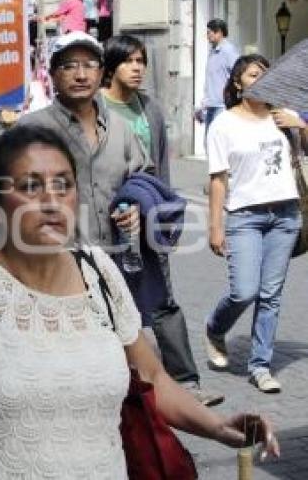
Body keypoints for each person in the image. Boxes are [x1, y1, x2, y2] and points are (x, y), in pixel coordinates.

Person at [0, 82, 281, 477]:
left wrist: (217, 426)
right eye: (30, 186)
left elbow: (152, 377)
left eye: (63, 184)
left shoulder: (99, 271)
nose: (51, 201)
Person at [98, 35, 224, 406]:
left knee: (165, 298)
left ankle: (187, 381)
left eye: (141, 61)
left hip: (149, 215)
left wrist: (166, 212)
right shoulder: (98, 108)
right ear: (111, 66)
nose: (137, 68)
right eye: (128, 61)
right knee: (114, 299)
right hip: (113, 221)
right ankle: (122, 384)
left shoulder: (149, 108)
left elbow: (162, 166)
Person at [205, 53, 301, 393]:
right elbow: (218, 179)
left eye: (266, 74)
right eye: (252, 74)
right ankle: (215, 328)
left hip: (286, 215)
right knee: (244, 290)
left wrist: (301, 126)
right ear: (237, 82)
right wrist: (215, 225)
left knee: (270, 295)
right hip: (245, 217)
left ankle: (260, 365)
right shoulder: (223, 124)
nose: (260, 80)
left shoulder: (283, 118)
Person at [18, 31, 146, 248]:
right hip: (54, 264)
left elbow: (142, 178)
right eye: (69, 66)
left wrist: (137, 207)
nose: (81, 75)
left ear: (101, 72)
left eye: (90, 65)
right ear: (52, 74)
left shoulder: (121, 128)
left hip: (115, 264)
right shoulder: (29, 129)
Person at [195, 18, 240, 142]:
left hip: (222, 106)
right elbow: (211, 81)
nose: (207, 36)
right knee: (209, 142)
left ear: (219, 32)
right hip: (211, 105)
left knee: (219, 142)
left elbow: (238, 72)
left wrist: (233, 98)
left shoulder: (228, 50)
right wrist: (203, 105)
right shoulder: (213, 52)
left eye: (209, 32)